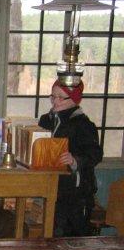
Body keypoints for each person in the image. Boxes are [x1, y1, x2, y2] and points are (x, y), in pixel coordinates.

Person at [38, 80, 103, 237]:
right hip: (53, 188)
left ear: (74, 100)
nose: (55, 101)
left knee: (74, 237)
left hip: (76, 192)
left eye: (61, 97)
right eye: (53, 96)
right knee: (52, 234)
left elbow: (95, 154)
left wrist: (75, 160)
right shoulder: (46, 120)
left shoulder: (83, 125)